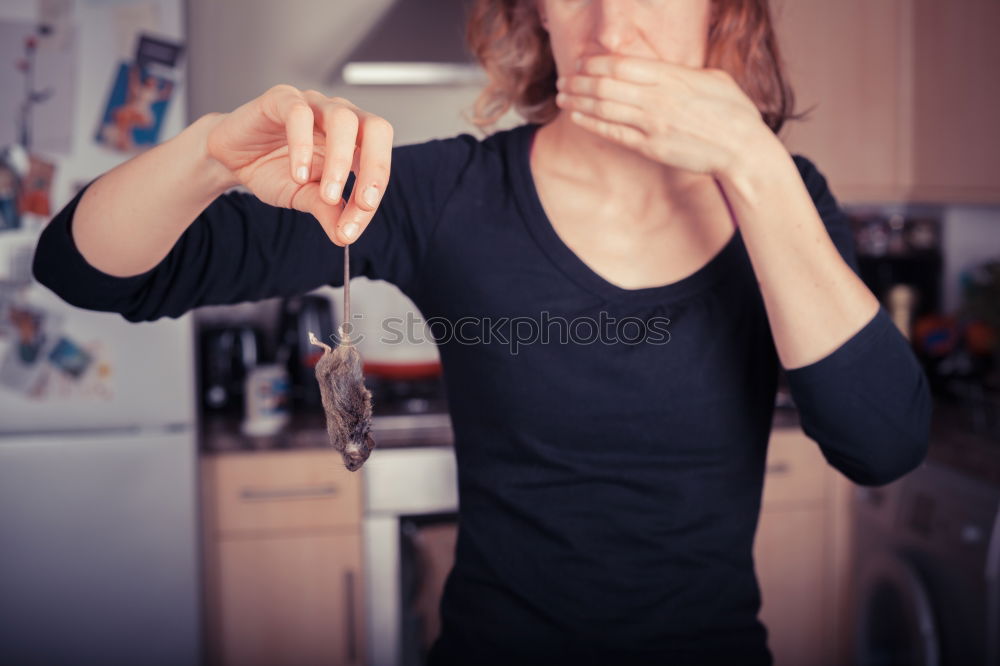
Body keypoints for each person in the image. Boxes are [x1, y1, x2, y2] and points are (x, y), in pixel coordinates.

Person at [32, 0, 932, 663]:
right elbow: (89, 270)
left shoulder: (781, 195)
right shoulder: (446, 194)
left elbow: (882, 442)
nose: (612, 23)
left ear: (721, 13)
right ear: (540, 16)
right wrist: (208, 152)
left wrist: (750, 158)